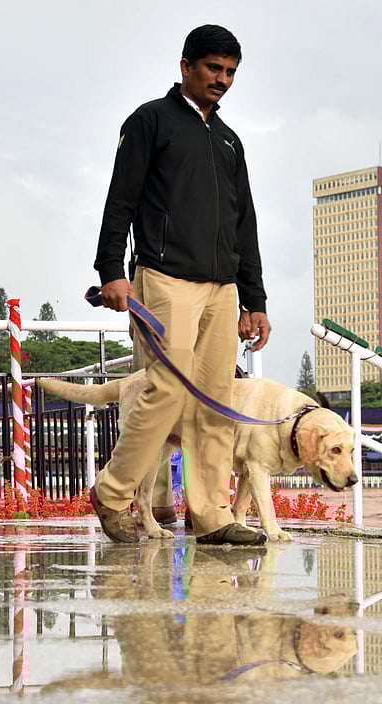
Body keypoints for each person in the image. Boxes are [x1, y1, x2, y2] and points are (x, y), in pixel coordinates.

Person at [90, 25, 272, 545]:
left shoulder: (229, 141)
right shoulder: (151, 121)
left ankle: (212, 514)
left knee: (217, 400)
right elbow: (120, 199)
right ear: (186, 66)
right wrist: (111, 271)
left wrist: (253, 300)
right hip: (165, 278)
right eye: (214, 68)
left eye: (231, 72)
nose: (223, 80)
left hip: (221, 288)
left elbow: (245, 225)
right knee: (166, 390)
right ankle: (114, 491)